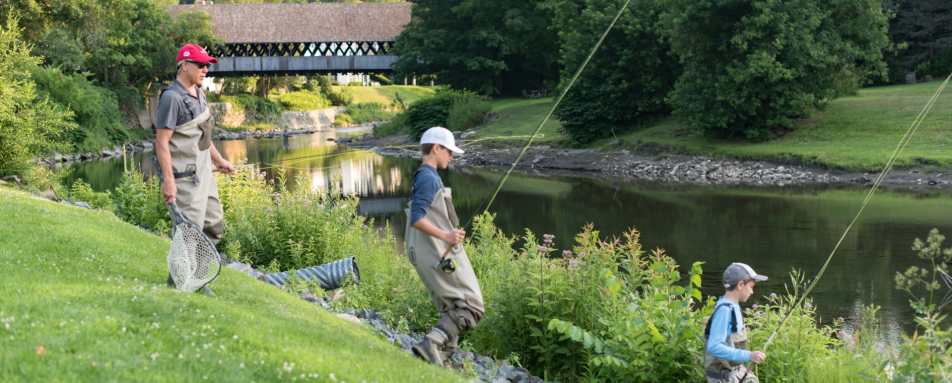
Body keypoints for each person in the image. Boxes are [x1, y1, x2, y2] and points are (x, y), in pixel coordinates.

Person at [154, 43, 234, 291]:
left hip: (204, 174)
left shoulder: (200, 94)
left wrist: (218, 160)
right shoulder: (172, 98)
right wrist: (168, 181)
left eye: (207, 65)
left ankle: (195, 275)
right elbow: (161, 142)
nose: (205, 69)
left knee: (214, 224)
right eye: (200, 65)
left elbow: (203, 137)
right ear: (185, 65)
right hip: (184, 178)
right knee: (189, 233)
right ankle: (180, 282)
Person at [404, 127, 485, 366]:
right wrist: (446, 235)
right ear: (436, 148)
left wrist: (450, 231)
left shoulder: (425, 175)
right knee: (472, 306)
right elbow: (417, 218)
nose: (452, 156)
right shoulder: (428, 177)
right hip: (437, 252)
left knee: (453, 305)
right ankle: (432, 343)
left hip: (430, 251)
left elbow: (429, 213)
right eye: (449, 151)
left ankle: (443, 356)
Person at [704, 262, 769, 383]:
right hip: (723, 377)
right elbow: (714, 346)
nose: (752, 292)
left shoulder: (734, 307)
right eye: (751, 287)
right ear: (740, 285)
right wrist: (749, 355)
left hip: (735, 372)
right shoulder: (724, 310)